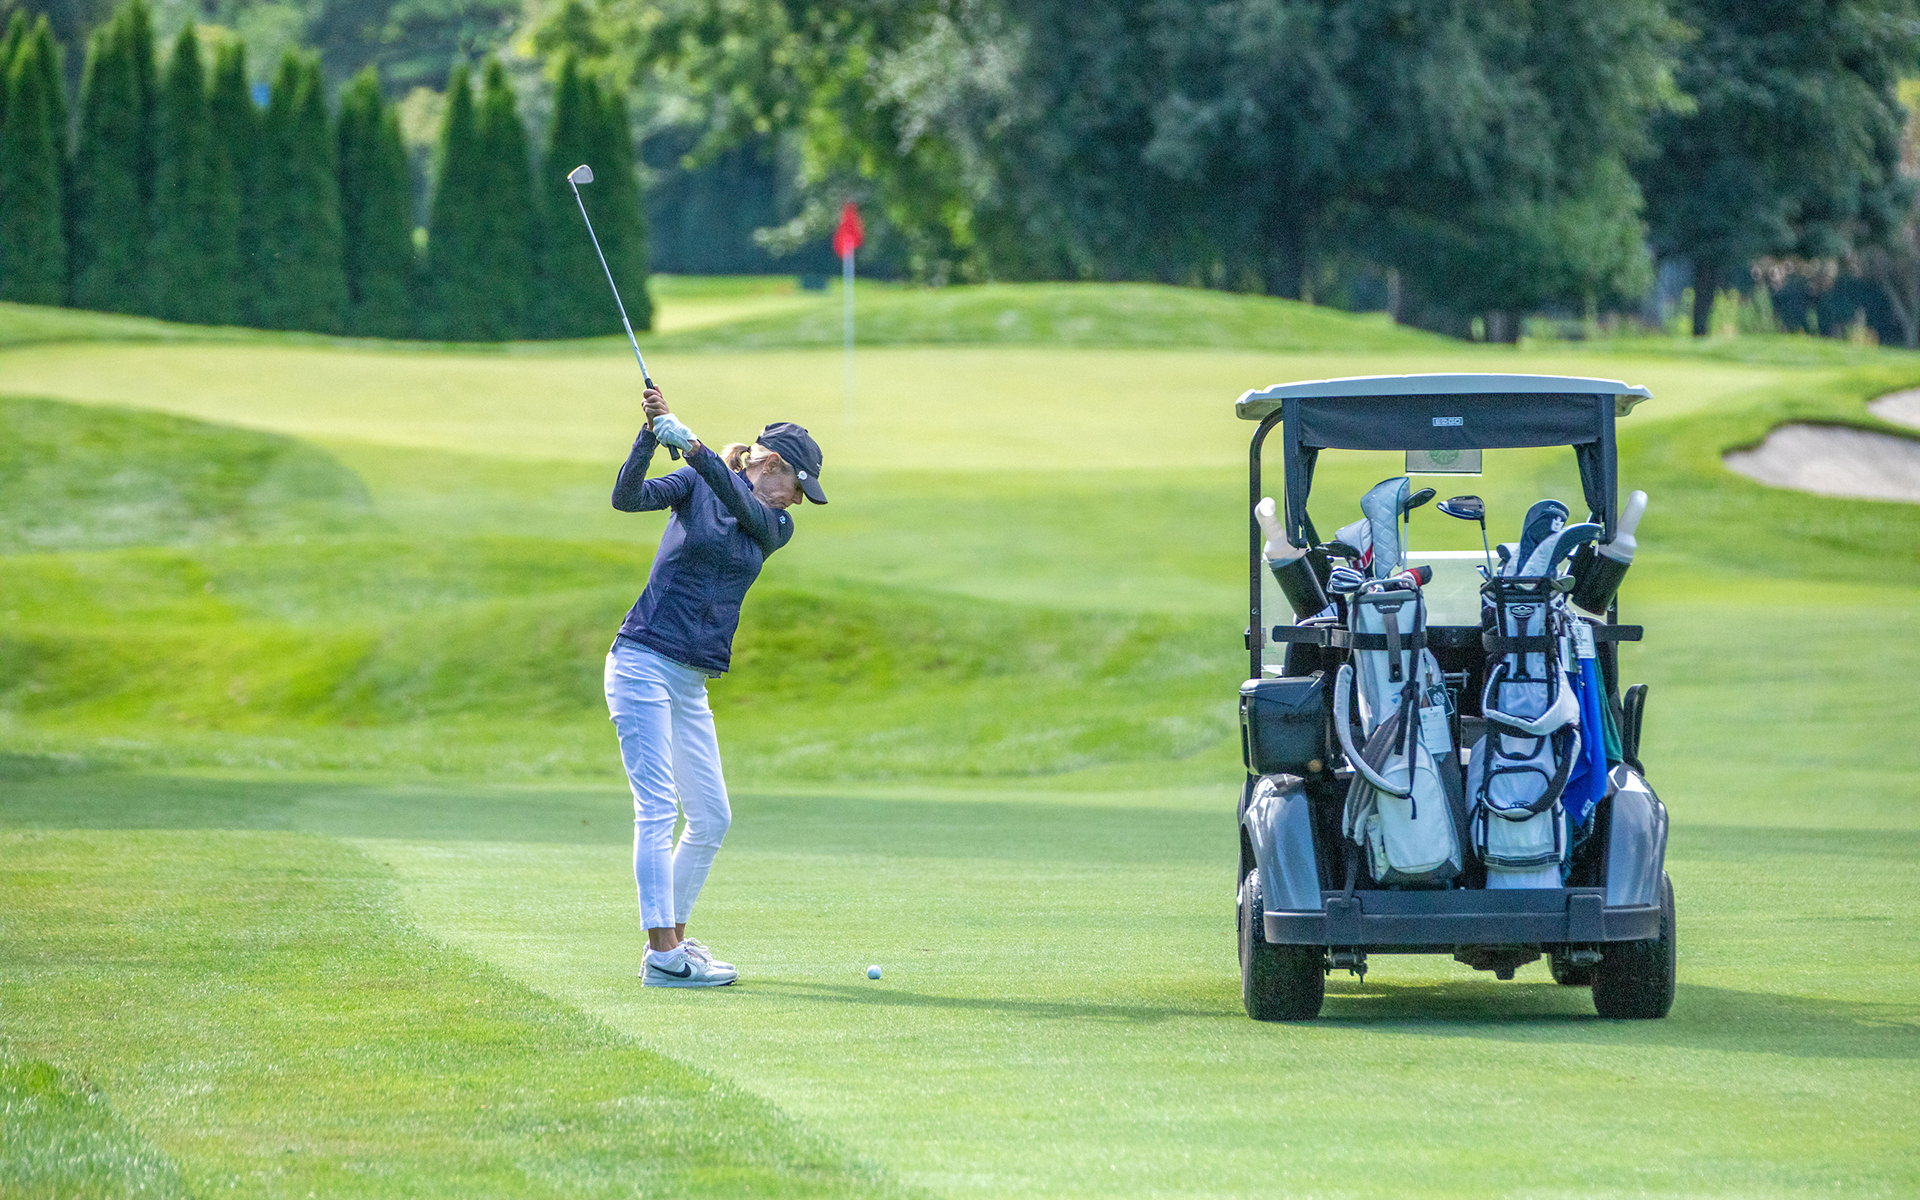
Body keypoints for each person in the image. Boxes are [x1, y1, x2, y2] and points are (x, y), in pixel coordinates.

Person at [605, 386, 827, 987]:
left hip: (691, 679)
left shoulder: (775, 524)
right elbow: (627, 499)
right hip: (642, 659)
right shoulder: (695, 483)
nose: (798, 500)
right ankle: (664, 957)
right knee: (658, 808)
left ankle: (673, 941)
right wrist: (649, 437)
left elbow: (741, 504)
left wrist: (695, 447)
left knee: (711, 816)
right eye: (798, 486)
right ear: (771, 464)